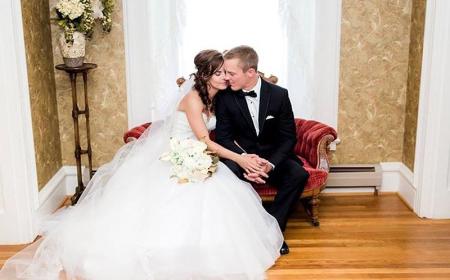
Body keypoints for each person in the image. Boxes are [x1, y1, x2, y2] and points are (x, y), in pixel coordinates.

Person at [0, 50, 283, 280]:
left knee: (218, 199)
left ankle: (209, 252)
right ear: (207, 75)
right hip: (179, 156)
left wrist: (248, 154)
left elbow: (224, 133)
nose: (225, 77)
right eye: (220, 72)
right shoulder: (193, 100)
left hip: (200, 156)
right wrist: (239, 158)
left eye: (226, 72)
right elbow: (204, 141)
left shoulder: (218, 96)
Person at [215, 45, 309, 255]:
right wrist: (244, 160)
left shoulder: (279, 95)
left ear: (251, 72)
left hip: (274, 157)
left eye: (231, 73)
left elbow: (288, 137)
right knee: (226, 173)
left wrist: (270, 164)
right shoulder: (225, 97)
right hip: (241, 156)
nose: (227, 78)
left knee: (298, 175)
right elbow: (224, 138)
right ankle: (240, 234)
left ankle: (273, 231)